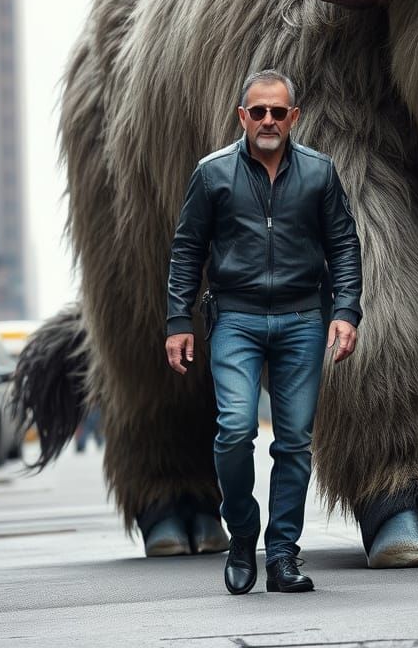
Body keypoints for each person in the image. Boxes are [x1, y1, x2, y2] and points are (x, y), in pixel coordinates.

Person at [164, 69, 362, 595]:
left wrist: (346, 311)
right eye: (259, 112)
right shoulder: (212, 174)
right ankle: (242, 533)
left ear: (294, 117)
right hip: (235, 320)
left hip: (302, 320)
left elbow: (344, 246)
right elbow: (187, 251)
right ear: (242, 117)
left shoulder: (320, 173)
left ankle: (281, 555)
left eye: (278, 112)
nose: (268, 120)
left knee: (295, 444)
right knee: (234, 430)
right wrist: (178, 321)